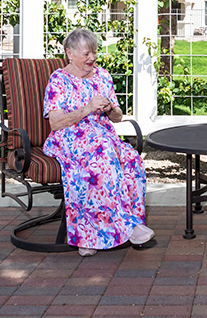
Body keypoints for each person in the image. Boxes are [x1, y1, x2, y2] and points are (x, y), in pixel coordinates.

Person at [43, 28, 155, 257]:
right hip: (69, 136)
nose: (92, 58)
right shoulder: (59, 80)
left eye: (93, 52)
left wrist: (110, 109)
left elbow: (118, 117)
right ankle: (120, 228)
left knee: (131, 159)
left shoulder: (103, 75)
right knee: (102, 156)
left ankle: (103, 232)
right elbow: (55, 123)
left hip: (103, 136)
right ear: (69, 53)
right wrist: (87, 108)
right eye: (86, 54)